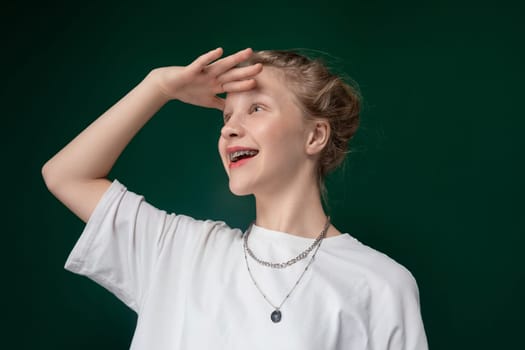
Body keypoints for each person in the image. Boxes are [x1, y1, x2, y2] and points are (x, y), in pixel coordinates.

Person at [42, 47, 428, 349]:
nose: (230, 131)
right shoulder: (177, 251)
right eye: (226, 117)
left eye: (256, 109)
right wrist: (158, 87)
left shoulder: (381, 285)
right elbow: (65, 175)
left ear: (314, 136)